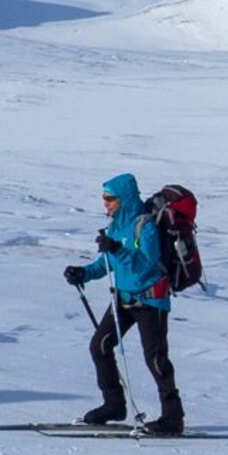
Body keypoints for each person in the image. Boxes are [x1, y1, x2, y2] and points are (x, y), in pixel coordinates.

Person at [63, 173, 184, 435]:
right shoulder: (117, 226)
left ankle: (173, 417)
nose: (105, 203)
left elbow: (145, 266)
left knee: (155, 358)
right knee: (100, 345)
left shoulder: (146, 227)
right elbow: (107, 264)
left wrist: (116, 249)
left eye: (109, 199)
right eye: (103, 198)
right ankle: (114, 405)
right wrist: (83, 273)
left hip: (151, 299)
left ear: (124, 199)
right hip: (123, 297)